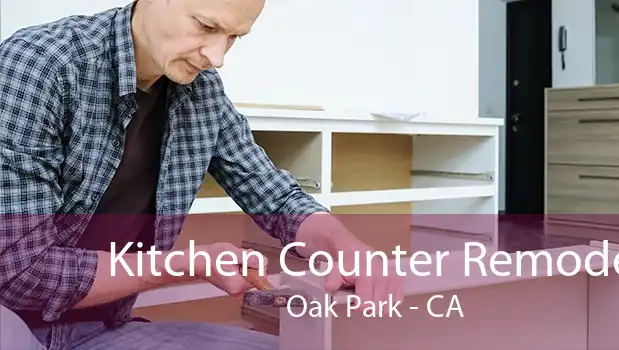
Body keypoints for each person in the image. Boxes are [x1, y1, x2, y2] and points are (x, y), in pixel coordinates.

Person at [0, 0, 403, 349]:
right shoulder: (39, 67)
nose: (217, 55)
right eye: (207, 26)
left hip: (99, 330)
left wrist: (344, 245)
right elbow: (18, 271)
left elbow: (276, 197)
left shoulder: (202, 91)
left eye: (234, 37)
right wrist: (187, 265)